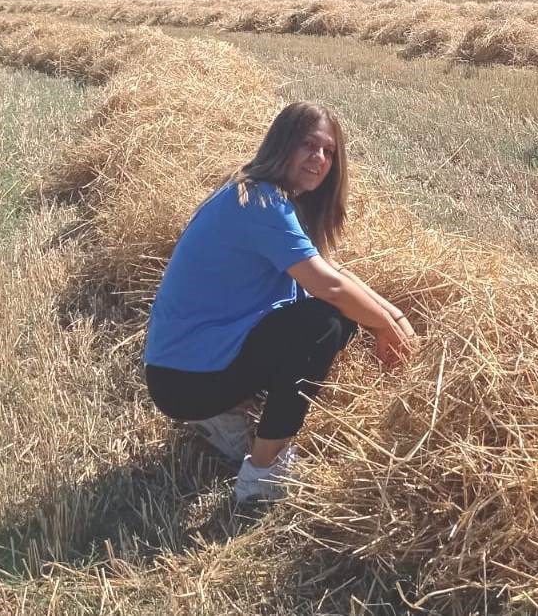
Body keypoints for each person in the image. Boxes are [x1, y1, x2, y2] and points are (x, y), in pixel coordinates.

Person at [142, 100, 416, 503]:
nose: (319, 158)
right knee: (322, 323)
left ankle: (230, 413)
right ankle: (262, 474)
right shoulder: (261, 202)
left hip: (188, 366)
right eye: (309, 145)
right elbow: (331, 288)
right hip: (184, 380)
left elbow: (336, 272)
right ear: (281, 144)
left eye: (329, 152)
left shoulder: (264, 196)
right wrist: (384, 328)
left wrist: (395, 317)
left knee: (334, 316)